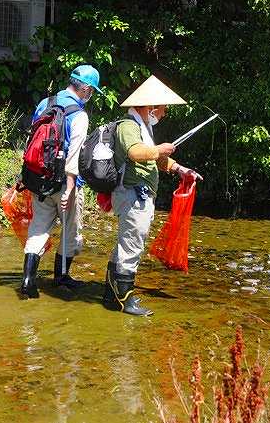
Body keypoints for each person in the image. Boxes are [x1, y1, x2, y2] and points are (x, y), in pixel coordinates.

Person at [102, 75, 203, 316]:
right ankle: (125, 301)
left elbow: (154, 158)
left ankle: (110, 293)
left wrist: (180, 170)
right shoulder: (129, 126)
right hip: (132, 196)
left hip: (138, 195)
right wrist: (159, 149)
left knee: (126, 243)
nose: (165, 113)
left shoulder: (142, 126)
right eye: (164, 109)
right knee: (132, 245)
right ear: (152, 107)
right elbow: (137, 153)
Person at [20, 65, 103, 299]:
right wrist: (69, 189)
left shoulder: (45, 103)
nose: (92, 95)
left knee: (38, 228)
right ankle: (61, 277)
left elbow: (32, 141)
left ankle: (27, 281)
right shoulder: (79, 114)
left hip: (39, 179)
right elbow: (74, 154)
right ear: (85, 89)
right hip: (64, 183)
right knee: (71, 231)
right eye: (92, 91)